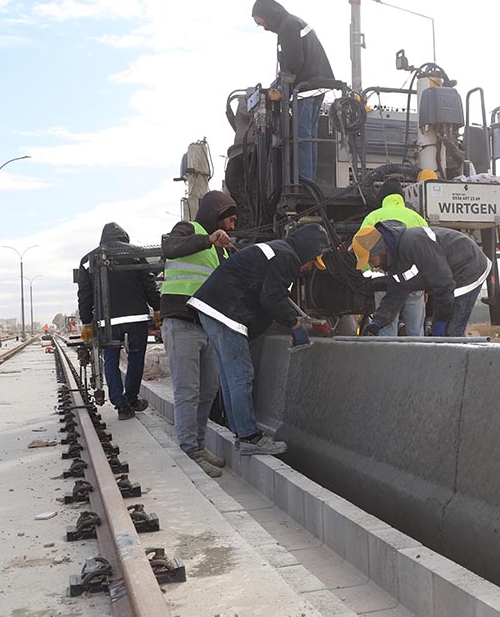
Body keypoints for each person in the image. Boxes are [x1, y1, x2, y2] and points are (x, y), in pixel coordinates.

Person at [187, 224, 334, 456]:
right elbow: (271, 297)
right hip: (227, 310)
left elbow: (267, 295)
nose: (308, 267)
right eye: (311, 261)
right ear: (307, 250)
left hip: (211, 308)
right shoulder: (287, 257)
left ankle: (240, 430)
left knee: (228, 376)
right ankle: (249, 438)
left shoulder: (277, 250)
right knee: (241, 376)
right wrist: (294, 324)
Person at [159, 191, 238, 478]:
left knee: (207, 391)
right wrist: (207, 239)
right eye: (229, 219)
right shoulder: (189, 230)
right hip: (181, 322)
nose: (232, 226)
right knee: (187, 391)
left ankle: (199, 446)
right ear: (217, 214)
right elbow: (169, 247)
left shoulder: (223, 249)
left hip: (207, 326)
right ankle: (190, 451)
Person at [77, 223, 161, 421]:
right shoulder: (135, 253)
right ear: (124, 237)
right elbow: (148, 283)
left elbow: (84, 294)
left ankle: (121, 405)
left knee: (111, 361)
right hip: (136, 317)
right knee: (136, 357)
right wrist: (157, 307)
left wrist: (87, 321)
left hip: (107, 321)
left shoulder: (89, 259)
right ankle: (131, 398)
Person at [350, 221, 491, 338]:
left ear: (382, 250)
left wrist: (440, 321)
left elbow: (443, 284)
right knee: (446, 335)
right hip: (451, 275)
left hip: (469, 266)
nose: (371, 265)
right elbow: (395, 293)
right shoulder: (395, 263)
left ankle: (462, 368)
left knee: (452, 332)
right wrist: (379, 322)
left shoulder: (413, 243)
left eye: (371, 259)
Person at [251, 0, 335, 182]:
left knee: (302, 137)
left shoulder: (288, 27)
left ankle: (304, 182)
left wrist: (282, 82)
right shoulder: (295, 22)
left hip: (305, 88)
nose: (262, 26)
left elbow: (295, 62)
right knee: (310, 137)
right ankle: (309, 179)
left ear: (268, 14)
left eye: (261, 22)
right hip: (318, 85)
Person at [361, 179, 428, 336]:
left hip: (385, 281)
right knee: (416, 331)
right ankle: (420, 360)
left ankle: (386, 360)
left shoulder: (373, 216)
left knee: (386, 330)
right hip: (415, 281)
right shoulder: (417, 218)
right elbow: (428, 250)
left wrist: (369, 273)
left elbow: (361, 247)